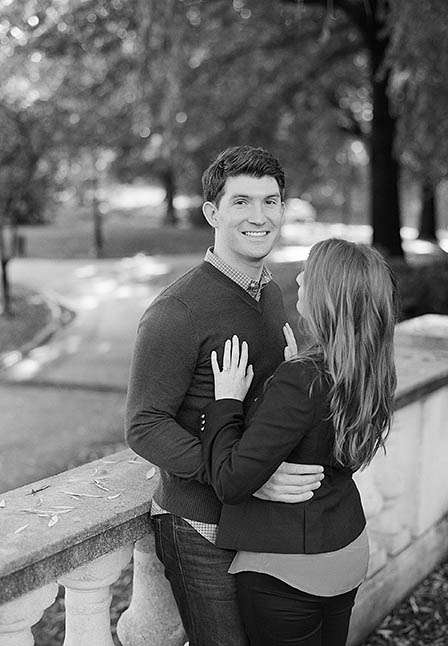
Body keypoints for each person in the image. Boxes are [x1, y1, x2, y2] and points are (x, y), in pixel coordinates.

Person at [126, 145, 324, 645]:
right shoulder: (176, 311)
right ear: (213, 212)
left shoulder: (273, 292)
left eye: (271, 201)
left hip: (263, 521)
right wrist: (244, 478)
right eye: (241, 202)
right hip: (200, 524)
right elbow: (144, 426)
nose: (259, 217)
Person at [200, 238, 397, 646]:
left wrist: (226, 403)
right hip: (346, 548)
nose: (302, 277)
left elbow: (231, 481)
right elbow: (324, 436)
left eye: (312, 272)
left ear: (328, 298)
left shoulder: (302, 380)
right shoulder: (371, 368)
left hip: (289, 571)